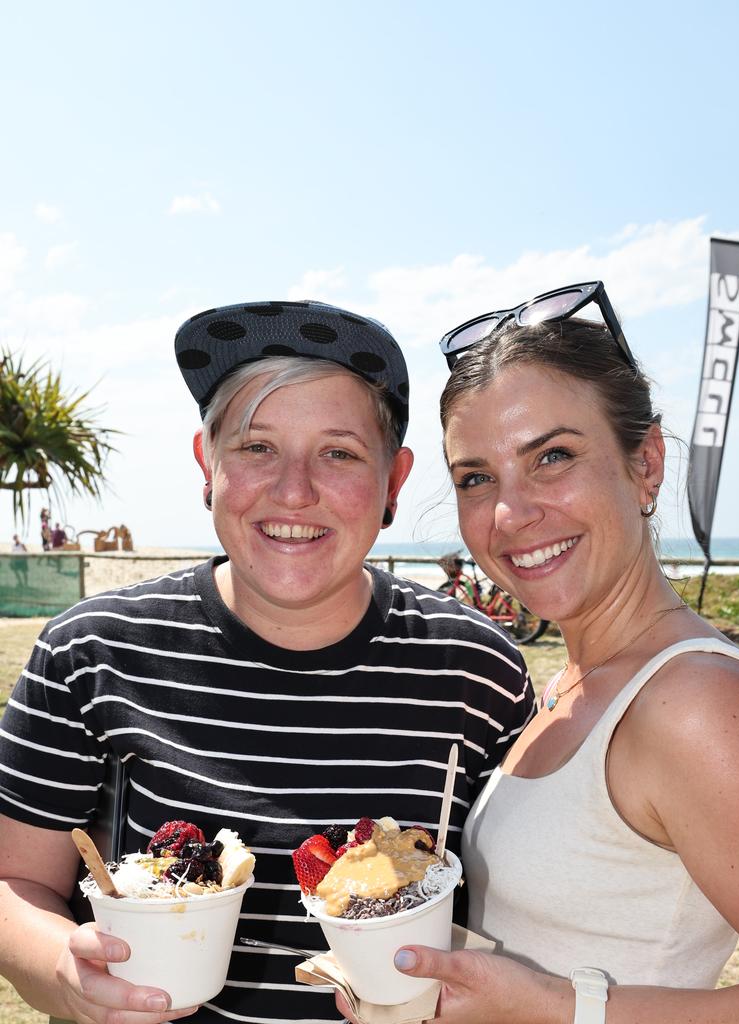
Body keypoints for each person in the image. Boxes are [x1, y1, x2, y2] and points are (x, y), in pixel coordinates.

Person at [0, 300, 536, 1024]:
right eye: (257, 447)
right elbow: (15, 882)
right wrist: (63, 970)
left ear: (394, 481)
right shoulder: (89, 654)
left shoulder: (479, 671)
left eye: (339, 453)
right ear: (207, 463)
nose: (293, 490)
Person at [353, 281, 739, 1023]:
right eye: (476, 478)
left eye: (552, 457)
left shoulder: (696, 704)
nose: (510, 513)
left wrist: (558, 1006)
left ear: (646, 464)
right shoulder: (571, 686)